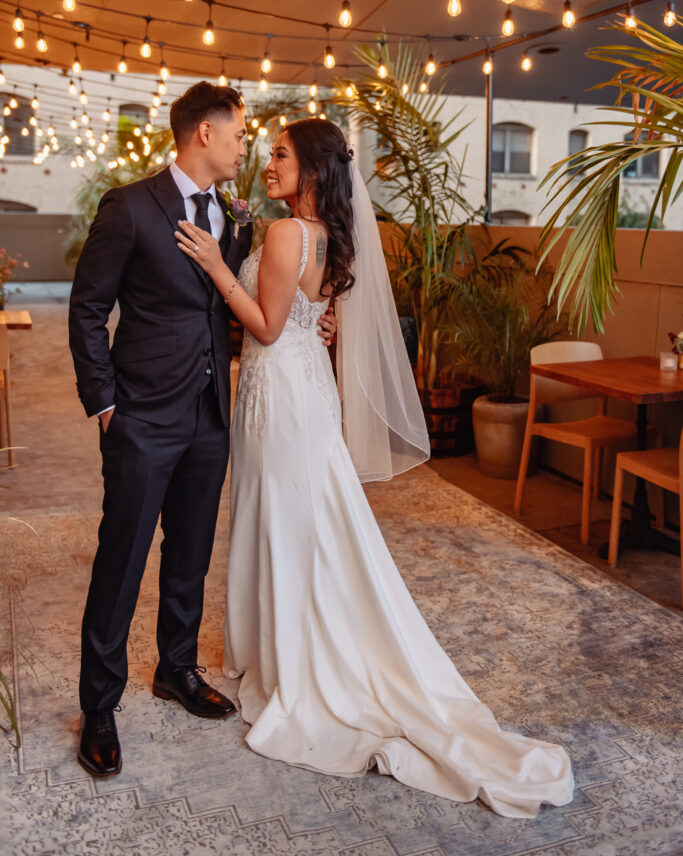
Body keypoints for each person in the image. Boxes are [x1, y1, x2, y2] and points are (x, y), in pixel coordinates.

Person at [175, 118, 574, 819]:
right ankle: (291, 641)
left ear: (313, 171)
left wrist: (213, 264)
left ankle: (292, 659)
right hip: (305, 391)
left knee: (283, 518)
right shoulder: (327, 237)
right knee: (304, 518)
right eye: (266, 153)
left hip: (278, 392)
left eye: (280, 156)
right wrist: (307, 319)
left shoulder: (282, 234)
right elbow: (310, 317)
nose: (267, 165)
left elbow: (265, 328)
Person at [68, 81, 336, 778]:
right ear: (204, 134)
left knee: (190, 553)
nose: (245, 145)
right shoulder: (130, 206)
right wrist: (104, 403)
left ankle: (176, 671)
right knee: (121, 557)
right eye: (240, 133)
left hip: (211, 414)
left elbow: (249, 301)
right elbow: (88, 309)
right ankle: (99, 704)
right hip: (142, 415)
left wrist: (313, 320)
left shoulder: (231, 213)